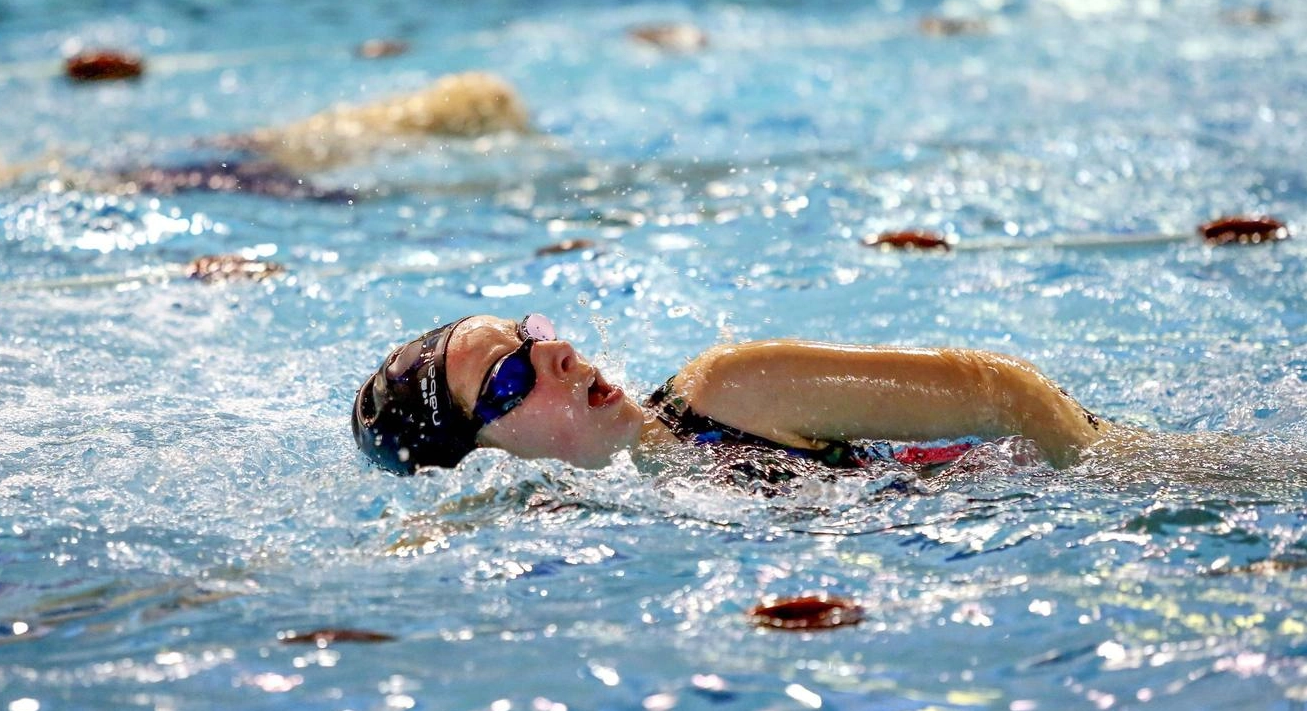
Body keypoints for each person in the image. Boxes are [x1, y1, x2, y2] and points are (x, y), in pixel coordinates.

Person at [351, 313, 1109, 476]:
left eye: (530, 333)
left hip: (1105, 469)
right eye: (512, 376)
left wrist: (1116, 476)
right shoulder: (575, 503)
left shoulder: (729, 389)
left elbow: (1003, 391)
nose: (555, 350)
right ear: (488, 453)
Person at [0, 71, 528, 196]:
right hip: (242, 171)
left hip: (237, 152)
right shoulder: (365, 140)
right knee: (82, 181)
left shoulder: (348, 130)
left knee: (67, 174)